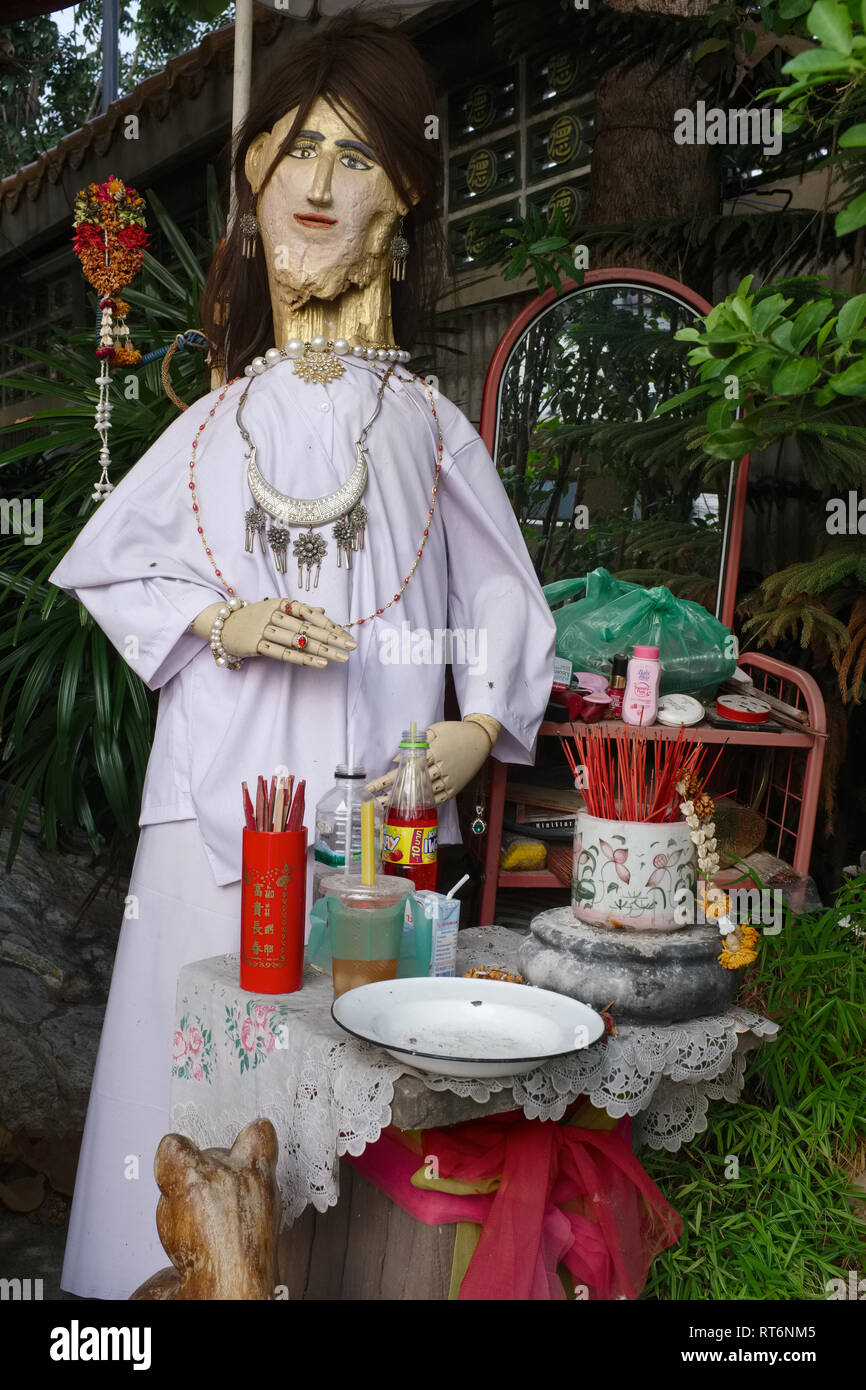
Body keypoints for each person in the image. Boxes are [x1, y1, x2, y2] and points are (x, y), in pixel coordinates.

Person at [51, 11, 555, 1299]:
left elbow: (504, 604)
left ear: (404, 196)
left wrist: (472, 727)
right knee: (182, 1111)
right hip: (208, 826)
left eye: (352, 156)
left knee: (345, 1119)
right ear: (253, 187)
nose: (317, 185)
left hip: (371, 846)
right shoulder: (214, 425)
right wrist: (222, 621)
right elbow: (111, 567)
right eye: (290, 154)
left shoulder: (433, 432)